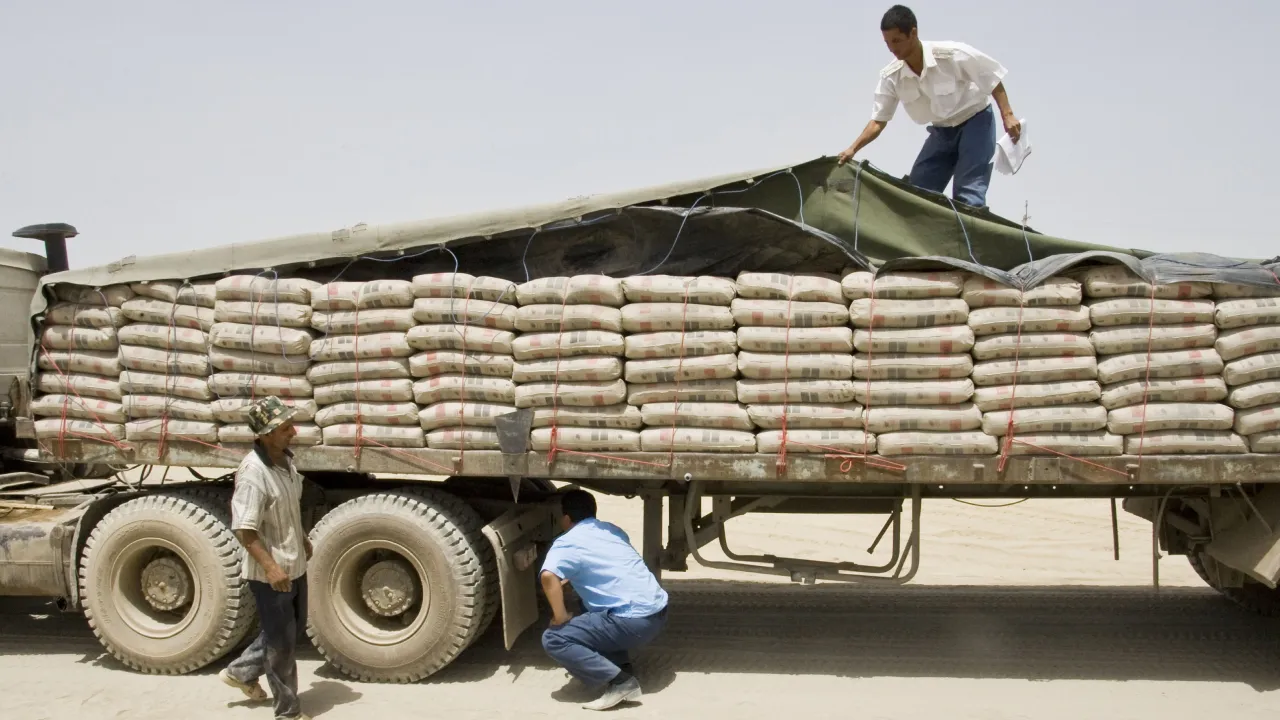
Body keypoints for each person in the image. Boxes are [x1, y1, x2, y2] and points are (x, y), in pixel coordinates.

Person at [837, 5, 1021, 208]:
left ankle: (968, 236)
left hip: (976, 122)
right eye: (887, 42)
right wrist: (852, 149)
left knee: (968, 195)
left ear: (913, 33)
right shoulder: (892, 76)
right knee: (917, 192)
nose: (892, 48)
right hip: (942, 131)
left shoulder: (952, 54)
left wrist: (1008, 115)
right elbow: (878, 121)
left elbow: (992, 79)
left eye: (896, 40)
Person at [218, 396, 312, 720]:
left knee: (293, 629)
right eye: (286, 427)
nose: (294, 432)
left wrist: (301, 538)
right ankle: (287, 712)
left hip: (294, 563)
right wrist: (271, 568)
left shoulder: (287, 462)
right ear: (267, 433)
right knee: (281, 646)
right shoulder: (253, 474)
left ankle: (241, 672)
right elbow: (245, 530)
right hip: (271, 575)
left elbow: (286, 509)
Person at [540, 489, 669, 711]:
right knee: (586, 602)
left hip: (633, 622)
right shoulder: (611, 529)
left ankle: (621, 682)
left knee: (554, 639)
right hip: (658, 612)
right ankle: (622, 667)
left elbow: (548, 577)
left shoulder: (567, 542)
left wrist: (560, 617)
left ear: (566, 518)